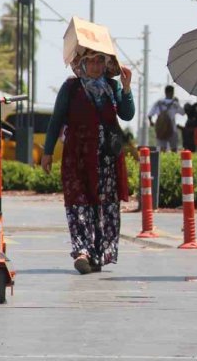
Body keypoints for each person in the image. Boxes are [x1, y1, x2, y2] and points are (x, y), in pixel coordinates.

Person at [41, 49, 135, 275]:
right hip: (78, 157)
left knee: (104, 207)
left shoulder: (112, 88)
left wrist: (127, 87)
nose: (94, 66)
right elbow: (56, 121)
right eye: (90, 62)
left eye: (99, 61)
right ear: (81, 65)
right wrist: (48, 151)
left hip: (107, 160)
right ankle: (82, 252)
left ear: (105, 64)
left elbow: (127, 115)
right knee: (79, 203)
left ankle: (98, 254)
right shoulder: (71, 88)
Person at [148, 86, 185, 152]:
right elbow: (183, 113)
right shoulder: (174, 103)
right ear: (172, 92)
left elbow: (150, 115)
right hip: (172, 130)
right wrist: (177, 102)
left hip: (161, 129)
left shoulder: (158, 102)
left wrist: (151, 122)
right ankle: (172, 161)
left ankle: (162, 161)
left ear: (165, 92)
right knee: (174, 149)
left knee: (162, 149)